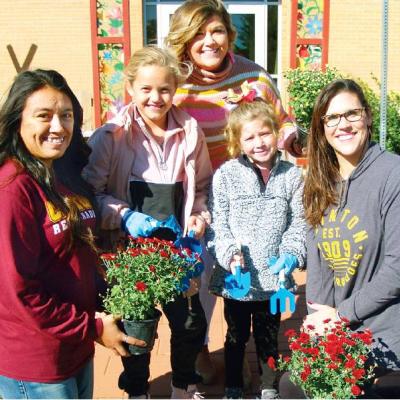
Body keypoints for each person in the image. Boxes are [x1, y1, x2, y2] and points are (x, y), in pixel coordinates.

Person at [165, 0, 304, 383]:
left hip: (245, 189)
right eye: (199, 33)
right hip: (192, 194)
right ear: (184, 39)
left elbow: (281, 121)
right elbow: (139, 108)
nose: (209, 41)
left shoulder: (253, 78)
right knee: (200, 278)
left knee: (239, 266)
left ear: (229, 34)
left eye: (217, 31)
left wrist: (296, 142)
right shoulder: (175, 81)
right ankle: (202, 351)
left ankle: (240, 346)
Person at [0, 69, 145, 399]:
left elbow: (72, 255)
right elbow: (17, 293)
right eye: (43, 116)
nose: (58, 127)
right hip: (37, 364)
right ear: (16, 121)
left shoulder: (52, 172)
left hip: (74, 348)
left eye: (66, 116)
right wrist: (92, 327)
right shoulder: (11, 188)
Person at [83, 46, 212, 399]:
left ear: (175, 89)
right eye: (146, 89)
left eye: (165, 89)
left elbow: (200, 187)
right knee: (135, 326)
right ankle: (137, 390)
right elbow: (90, 194)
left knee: (190, 323)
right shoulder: (111, 136)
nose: (156, 97)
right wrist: (125, 215)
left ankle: (182, 386)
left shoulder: (189, 130)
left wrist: (199, 217)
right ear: (131, 87)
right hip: (129, 254)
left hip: (176, 254)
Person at [280, 79, 400, 398]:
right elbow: (318, 262)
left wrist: (341, 315)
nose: (342, 124)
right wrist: (319, 321)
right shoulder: (321, 183)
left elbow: (397, 269)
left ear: (368, 117)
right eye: (332, 118)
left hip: (386, 337)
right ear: (322, 127)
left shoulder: (393, 175)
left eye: (352, 114)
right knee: (292, 387)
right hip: (341, 334)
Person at [205, 99, 306, 399]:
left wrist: (291, 253)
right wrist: (229, 253)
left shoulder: (291, 175)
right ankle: (233, 386)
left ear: (276, 133)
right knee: (235, 337)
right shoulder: (225, 175)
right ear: (237, 142)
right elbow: (217, 224)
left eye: (264, 133)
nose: (259, 142)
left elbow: (298, 222)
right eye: (249, 137)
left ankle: (268, 386)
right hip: (239, 277)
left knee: (267, 337)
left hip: (274, 276)